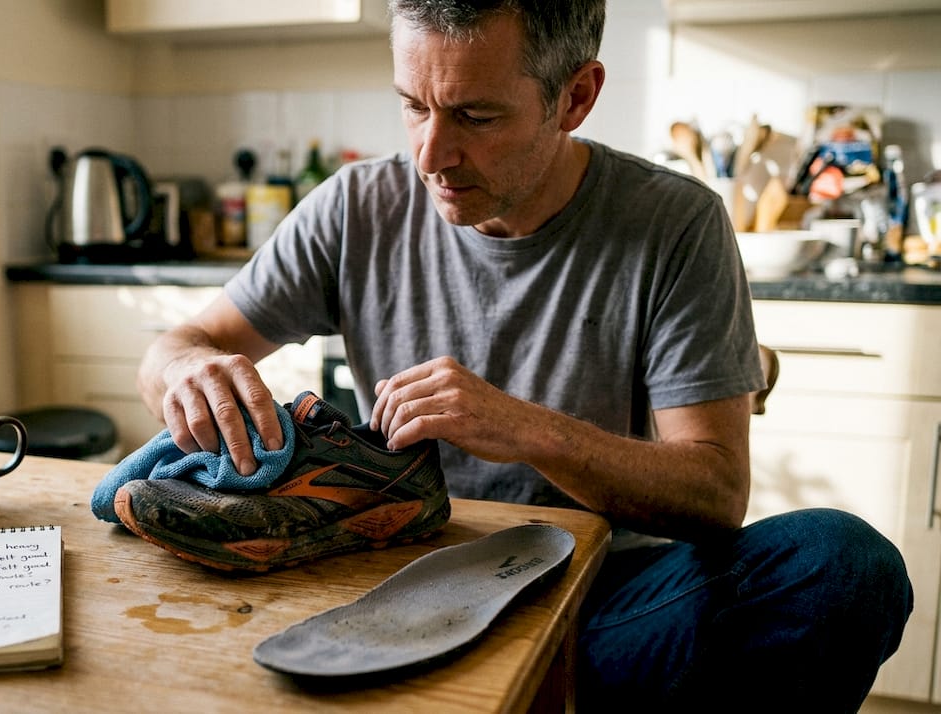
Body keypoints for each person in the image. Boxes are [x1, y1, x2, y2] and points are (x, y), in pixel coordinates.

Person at [134, 0, 912, 710]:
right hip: (395, 581)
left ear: (576, 97)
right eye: (413, 106)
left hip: (605, 593)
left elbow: (715, 490)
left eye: (474, 115)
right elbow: (178, 344)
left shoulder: (675, 224)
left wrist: (527, 429)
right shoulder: (355, 206)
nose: (432, 154)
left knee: (843, 565)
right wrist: (186, 368)